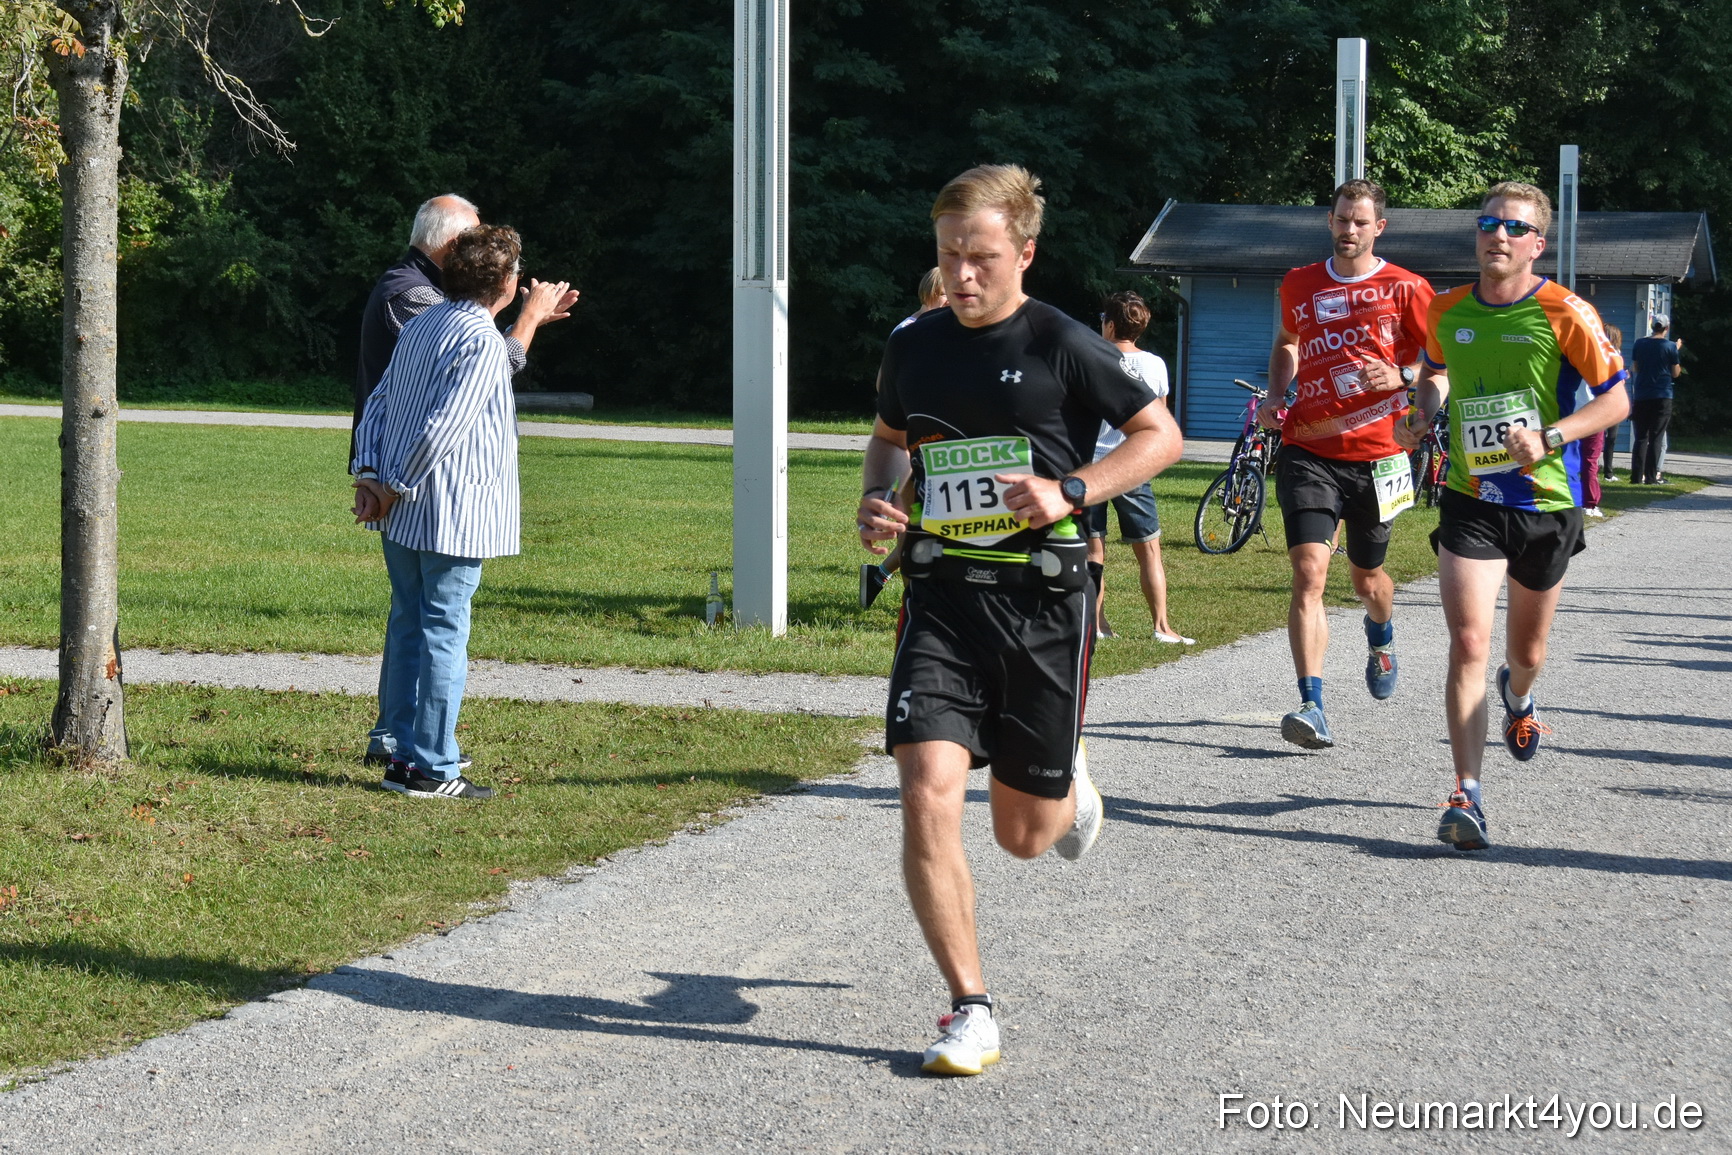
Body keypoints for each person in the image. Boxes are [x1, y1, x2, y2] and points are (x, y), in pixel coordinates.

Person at [855, 164, 1181, 1075]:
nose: (961, 274)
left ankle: (1064, 767)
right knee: (925, 787)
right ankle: (971, 1006)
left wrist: (1071, 488)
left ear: (1024, 253)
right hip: (942, 596)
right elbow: (889, 440)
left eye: (982, 257)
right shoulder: (913, 343)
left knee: (1024, 838)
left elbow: (1163, 437)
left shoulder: (1063, 341)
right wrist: (881, 502)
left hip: (1043, 601)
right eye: (949, 255)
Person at [1396, 181, 1629, 852]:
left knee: (1525, 653)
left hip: (1546, 505)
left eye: (1514, 227)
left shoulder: (1564, 311)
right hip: (1472, 498)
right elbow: (1435, 371)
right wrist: (1422, 413)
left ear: (1537, 243)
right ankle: (1466, 792)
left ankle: (1519, 697)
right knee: (1468, 640)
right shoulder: (1445, 309)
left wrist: (1553, 437)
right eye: (1489, 222)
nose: (1498, 235)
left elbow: (1616, 402)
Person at [355, 194, 576, 774]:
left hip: (402, 510)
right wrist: (391, 483)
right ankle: (430, 765)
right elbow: (443, 427)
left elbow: (378, 405)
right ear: (504, 283)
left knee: (412, 622)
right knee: (444, 632)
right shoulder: (477, 338)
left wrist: (373, 477)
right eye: (516, 277)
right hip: (447, 512)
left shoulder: (427, 320)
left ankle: (403, 745)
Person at [1257, 178, 1436, 750]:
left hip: (1381, 455)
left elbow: (1442, 365)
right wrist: (1275, 395)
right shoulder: (1299, 282)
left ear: (1378, 227)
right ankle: (1312, 703)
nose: (1349, 229)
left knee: (1366, 578)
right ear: (1330, 222)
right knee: (1309, 572)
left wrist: (1405, 379)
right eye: (1341, 219)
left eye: (1360, 221)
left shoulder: (1408, 288)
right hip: (1308, 448)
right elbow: (1287, 342)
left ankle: (1380, 635)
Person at [1088, 291, 1191, 644]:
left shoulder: (1090, 359)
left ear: (1111, 324)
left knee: (1093, 551)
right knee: (1149, 550)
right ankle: (1162, 627)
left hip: (1093, 468)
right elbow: (1158, 420)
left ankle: (1097, 625)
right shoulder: (1155, 365)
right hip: (1133, 466)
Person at [862, 268, 950, 609]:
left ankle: (884, 577)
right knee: (918, 522)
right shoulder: (910, 332)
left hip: (938, 440)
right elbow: (884, 385)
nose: (950, 301)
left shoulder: (943, 331)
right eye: (944, 294)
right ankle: (907, 593)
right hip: (914, 440)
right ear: (930, 294)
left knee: (923, 522)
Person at [1628, 316, 1682, 485]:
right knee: (1656, 437)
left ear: (1652, 326)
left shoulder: (1639, 343)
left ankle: (1636, 477)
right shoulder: (1670, 346)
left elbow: (1635, 367)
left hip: (1642, 394)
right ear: (1666, 327)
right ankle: (1651, 476)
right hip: (1662, 395)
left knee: (1641, 437)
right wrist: (1676, 350)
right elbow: (1675, 373)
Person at [1577, 323, 1621, 516]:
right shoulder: (1610, 358)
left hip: (1573, 410)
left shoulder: (1577, 352)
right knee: (1590, 459)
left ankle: (1572, 499)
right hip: (1594, 412)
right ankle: (1589, 502)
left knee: (1568, 457)